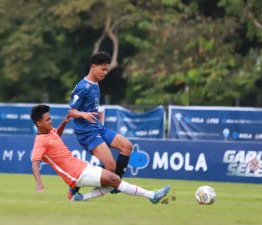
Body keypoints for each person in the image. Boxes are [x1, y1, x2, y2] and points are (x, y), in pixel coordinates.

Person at [30, 104, 170, 203]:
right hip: (75, 175)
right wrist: (39, 183)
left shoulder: (50, 132)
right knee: (115, 180)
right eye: (47, 120)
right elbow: (35, 163)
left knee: (113, 180)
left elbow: (57, 135)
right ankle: (152, 195)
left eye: (50, 118)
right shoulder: (40, 141)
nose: (51, 120)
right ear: (39, 123)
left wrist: (63, 123)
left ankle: (79, 198)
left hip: (81, 167)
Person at [68, 51, 133, 197]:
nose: (105, 73)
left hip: (97, 127)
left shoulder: (96, 83)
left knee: (127, 146)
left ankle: (116, 183)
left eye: (106, 69)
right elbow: (71, 112)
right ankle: (77, 183)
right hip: (87, 133)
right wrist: (83, 114)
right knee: (110, 166)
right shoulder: (82, 87)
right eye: (103, 69)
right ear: (93, 67)